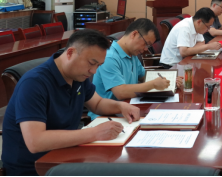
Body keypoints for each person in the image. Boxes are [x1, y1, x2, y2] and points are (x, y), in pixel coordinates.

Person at [2, 29, 140, 176]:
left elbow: (97, 104)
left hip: (66, 154)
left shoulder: (78, 76)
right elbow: (35, 141)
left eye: (98, 65)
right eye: (91, 63)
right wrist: (94, 133)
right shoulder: (34, 83)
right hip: (35, 168)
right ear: (70, 53)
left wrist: (120, 106)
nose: (94, 71)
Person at [90, 18, 183, 120]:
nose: (146, 49)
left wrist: (169, 79)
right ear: (134, 34)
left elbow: (144, 76)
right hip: (107, 116)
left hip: (129, 109)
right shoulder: (110, 57)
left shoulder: (132, 54)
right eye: (146, 43)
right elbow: (120, 92)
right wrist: (153, 84)